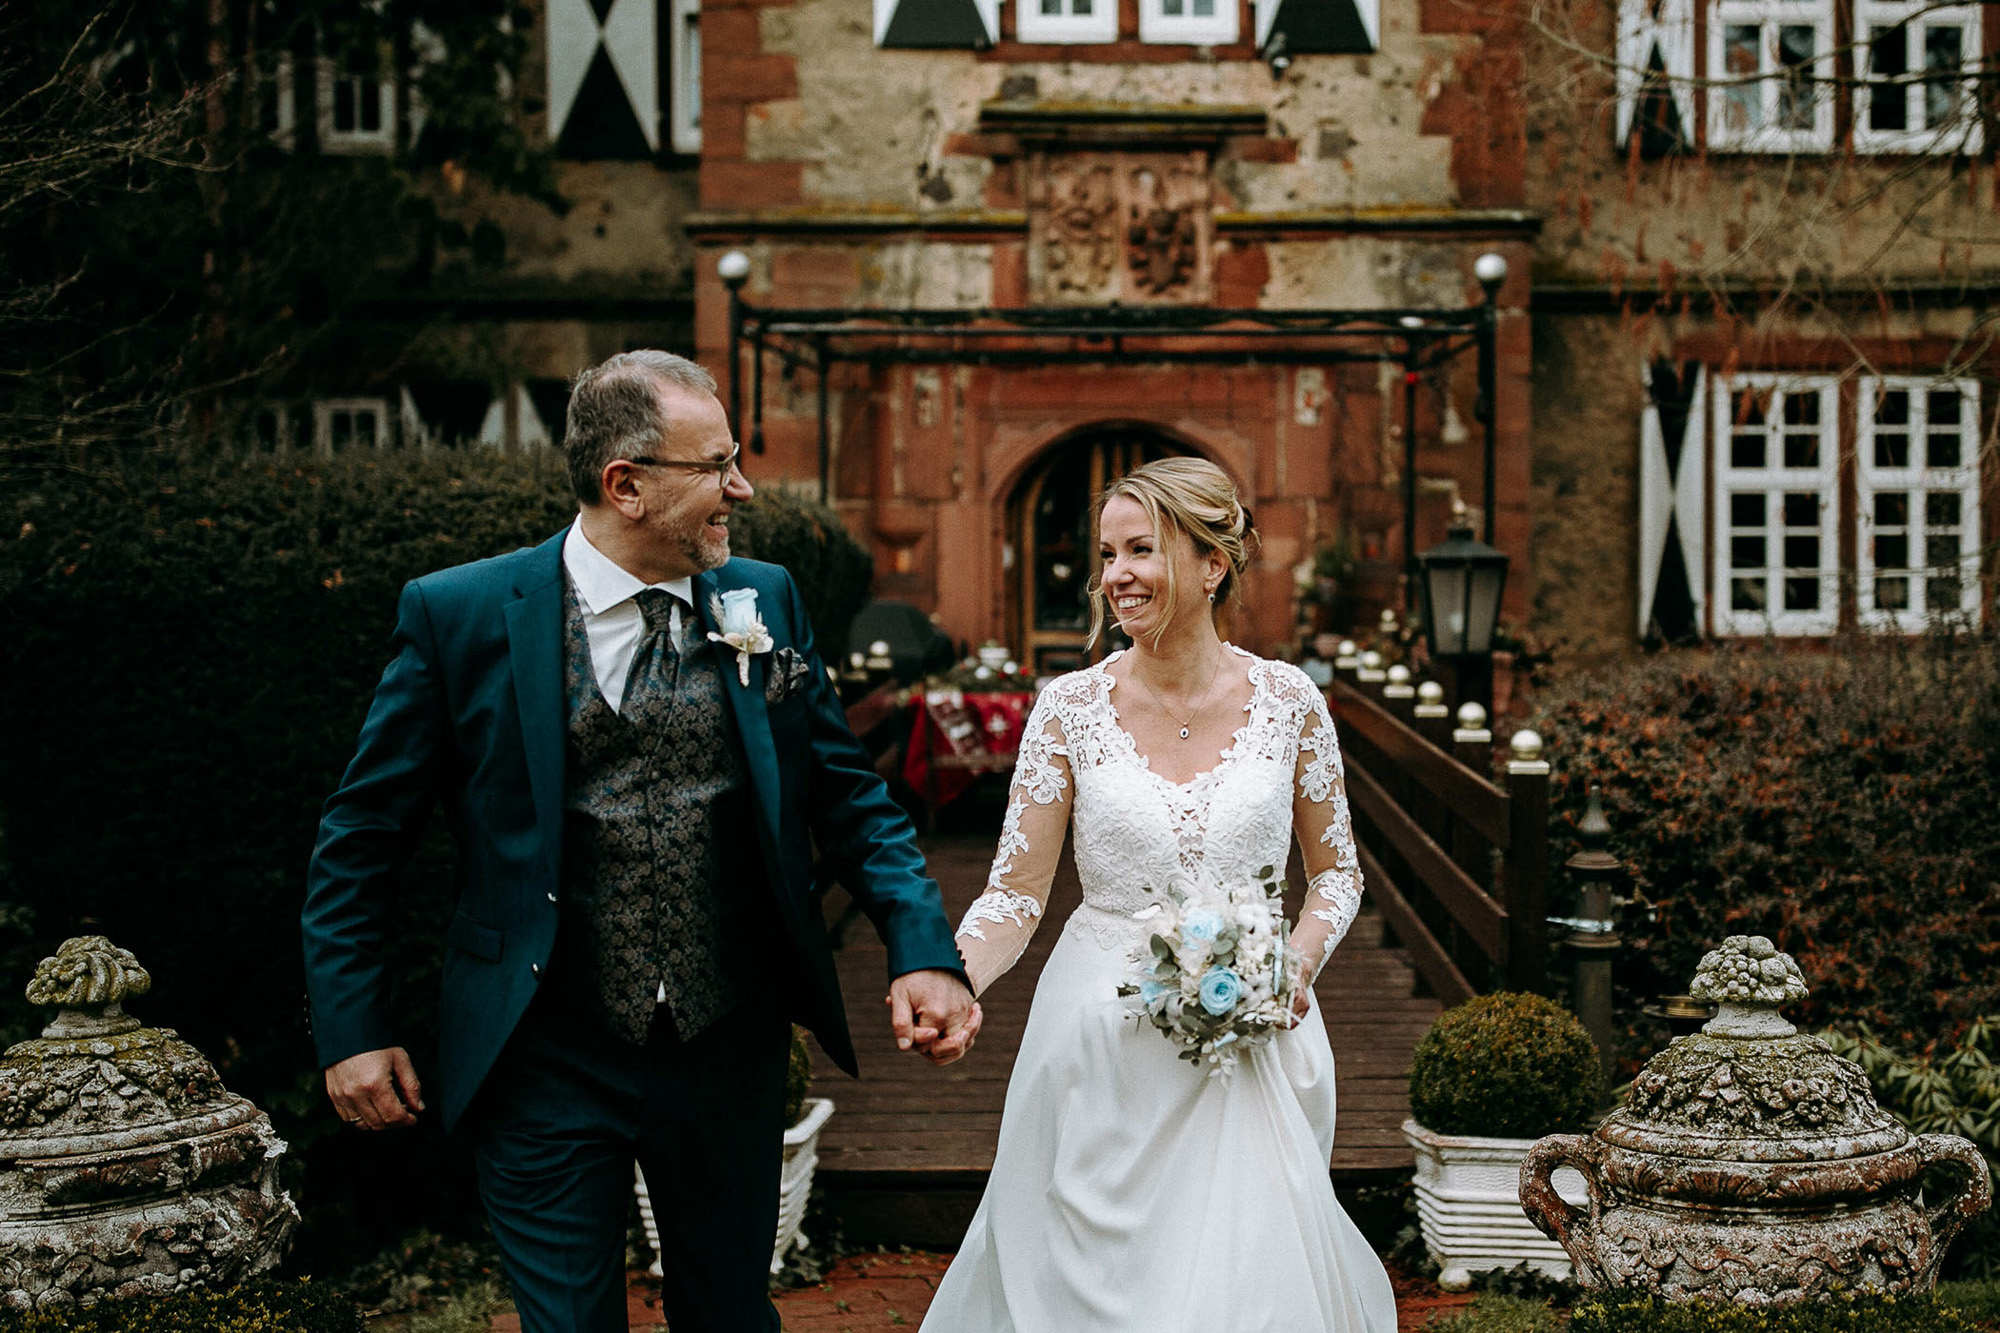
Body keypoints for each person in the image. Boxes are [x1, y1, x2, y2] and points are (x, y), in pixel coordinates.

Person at [300, 350, 980, 1333]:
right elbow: (362, 835)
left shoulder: (763, 599)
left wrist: (923, 948)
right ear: (625, 484)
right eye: (716, 466)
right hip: (540, 1049)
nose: (741, 488)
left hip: (724, 1041)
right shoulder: (462, 615)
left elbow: (848, 798)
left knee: (729, 1317)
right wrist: (353, 1026)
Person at [922, 456, 1396, 1331]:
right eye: (1107, 555)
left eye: (1140, 549)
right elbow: (1015, 895)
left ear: (1213, 563)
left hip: (1247, 1048)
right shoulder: (1068, 709)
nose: (1116, 576)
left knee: (1245, 1296)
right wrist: (955, 977)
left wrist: (1293, 962)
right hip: (1099, 1047)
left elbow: (1336, 874)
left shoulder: (1290, 701)